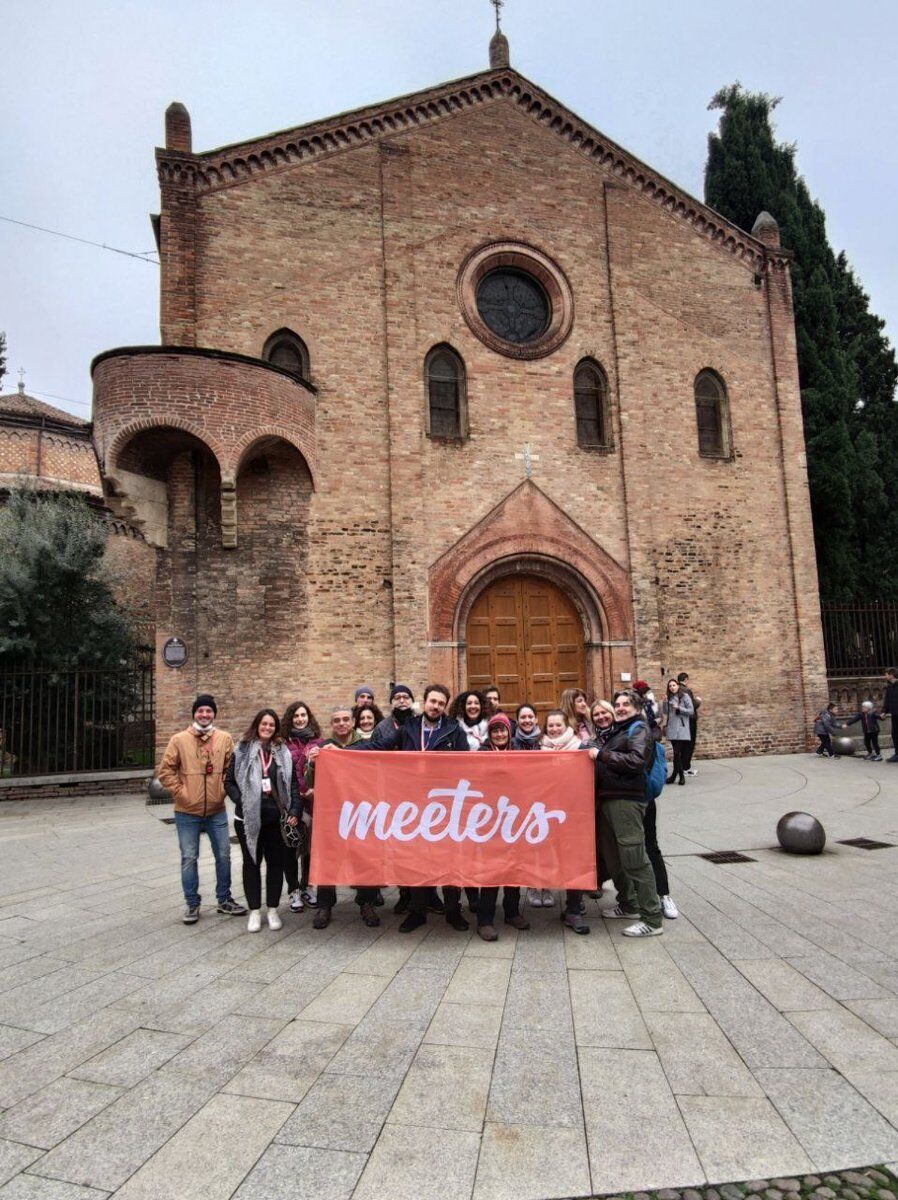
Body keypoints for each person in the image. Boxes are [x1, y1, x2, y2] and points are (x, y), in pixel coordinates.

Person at [359, 683, 471, 933]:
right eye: (433, 701)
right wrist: (342, 751)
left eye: (442, 703)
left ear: (445, 706)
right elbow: (378, 747)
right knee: (418, 860)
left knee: (450, 859)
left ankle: (453, 912)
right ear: (426, 701)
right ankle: (417, 912)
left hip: (446, 806)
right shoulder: (409, 728)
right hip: (415, 805)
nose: (436, 706)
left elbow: (468, 765)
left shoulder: (454, 730)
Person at [158, 694, 247, 925]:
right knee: (189, 857)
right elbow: (166, 771)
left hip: (216, 809)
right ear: (194, 713)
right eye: (201, 711)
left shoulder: (224, 738)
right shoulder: (179, 739)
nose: (205, 715)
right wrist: (182, 793)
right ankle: (192, 903)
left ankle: (224, 899)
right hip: (186, 811)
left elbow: (231, 769)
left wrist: (222, 791)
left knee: (224, 855)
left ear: (214, 714)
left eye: (209, 711)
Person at [588, 689, 663, 937]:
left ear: (637, 707)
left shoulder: (639, 728)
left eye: (625, 705)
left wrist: (602, 755)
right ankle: (629, 904)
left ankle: (652, 919)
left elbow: (636, 761)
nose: (620, 708)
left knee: (634, 857)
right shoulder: (619, 731)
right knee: (614, 857)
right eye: (617, 704)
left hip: (627, 800)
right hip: (609, 800)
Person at [225, 708, 300, 932]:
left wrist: (294, 811)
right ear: (257, 725)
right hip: (248, 818)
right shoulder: (242, 749)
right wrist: (243, 801)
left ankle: (273, 909)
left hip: (276, 818)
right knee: (252, 864)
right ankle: (255, 911)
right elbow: (228, 782)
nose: (267, 728)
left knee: (275, 864)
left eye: (271, 725)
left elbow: (293, 784)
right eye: (264, 724)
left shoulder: (282, 752)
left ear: (276, 728)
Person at [304, 707, 374, 928]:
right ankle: (325, 905)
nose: (342, 723)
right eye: (337, 720)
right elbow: (310, 782)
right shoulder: (323, 747)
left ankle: (366, 903)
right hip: (332, 813)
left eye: (345, 719)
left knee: (364, 858)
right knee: (328, 858)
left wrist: (341, 755)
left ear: (353, 722)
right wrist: (313, 764)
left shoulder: (365, 746)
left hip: (361, 810)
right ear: (331, 725)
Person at [473, 713, 531, 941]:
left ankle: (512, 912)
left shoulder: (519, 752)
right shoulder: (481, 753)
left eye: (503, 730)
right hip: (489, 818)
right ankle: (485, 920)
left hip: (513, 817)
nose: (499, 734)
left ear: (509, 732)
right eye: (495, 730)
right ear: (490, 733)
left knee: (513, 866)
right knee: (491, 870)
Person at [531, 709, 581, 910]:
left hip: (571, 807)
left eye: (557, 725)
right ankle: (539, 886)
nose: (553, 729)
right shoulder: (538, 747)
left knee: (569, 849)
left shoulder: (579, 747)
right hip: (544, 807)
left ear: (566, 725)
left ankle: (574, 896)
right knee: (541, 847)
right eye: (550, 725)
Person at [282, 700, 323, 910]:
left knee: (309, 850)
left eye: (303, 715)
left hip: (313, 803)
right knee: (291, 845)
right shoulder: (282, 744)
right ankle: (293, 890)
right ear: (291, 718)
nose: (300, 719)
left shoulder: (318, 742)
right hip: (292, 803)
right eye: (296, 716)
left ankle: (308, 887)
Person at [663, 679, 694, 785]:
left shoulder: (684, 696)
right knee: (677, 754)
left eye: (674, 685)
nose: (672, 687)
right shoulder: (670, 698)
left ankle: (679, 777)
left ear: (678, 686)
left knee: (676, 753)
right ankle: (675, 776)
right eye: (670, 686)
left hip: (682, 728)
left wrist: (679, 708)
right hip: (672, 728)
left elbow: (691, 711)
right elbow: (665, 712)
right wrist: (665, 702)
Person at [676, 672, 702, 775]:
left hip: (681, 720)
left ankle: (681, 766)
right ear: (686, 679)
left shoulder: (675, 690)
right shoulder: (686, 690)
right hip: (690, 720)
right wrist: (698, 701)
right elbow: (691, 706)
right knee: (689, 744)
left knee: (682, 744)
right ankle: (686, 768)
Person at [880, 668, 898, 762]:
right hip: (895, 714)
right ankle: (897, 754)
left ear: (892, 675)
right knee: (895, 734)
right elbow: (887, 701)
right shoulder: (889, 687)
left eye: (886, 674)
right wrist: (884, 711)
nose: (885, 676)